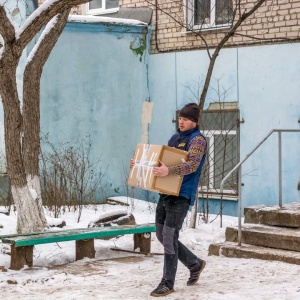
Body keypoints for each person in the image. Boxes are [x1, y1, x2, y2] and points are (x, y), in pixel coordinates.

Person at [130, 103, 207, 297]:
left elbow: (192, 165)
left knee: (169, 237)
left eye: (186, 119)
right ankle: (195, 264)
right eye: (180, 118)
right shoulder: (175, 137)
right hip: (165, 192)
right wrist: (140, 163)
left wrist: (169, 171)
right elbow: (162, 162)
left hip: (181, 195)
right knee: (161, 235)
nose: (181, 121)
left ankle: (167, 282)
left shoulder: (198, 141)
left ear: (194, 122)